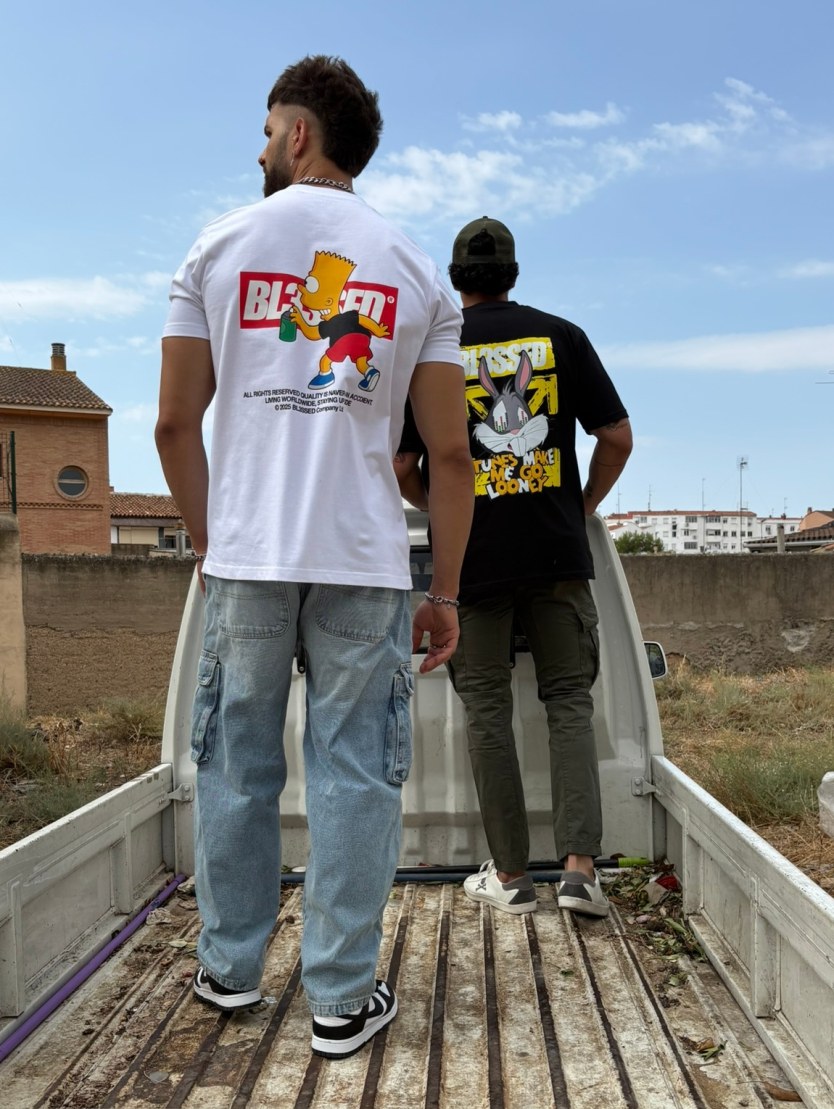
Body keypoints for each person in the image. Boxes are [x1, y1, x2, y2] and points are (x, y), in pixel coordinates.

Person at [155, 55, 473, 1060]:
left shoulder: (216, 248)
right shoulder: (414, 269)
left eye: (265, 131)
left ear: (299, 135)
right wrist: (445, 590)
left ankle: (229, 970)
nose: (259, 149)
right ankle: (339, 998)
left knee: (236, 764)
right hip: (364, 563)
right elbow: (452, 455)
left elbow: (173, 424)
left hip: (246, 560)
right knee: (354, 776)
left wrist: (212, 542)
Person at [395, 216, 632, 919]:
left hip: (472, 563)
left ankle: (511, 877)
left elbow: (404, 464)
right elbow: (616, 436)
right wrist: (581, 504)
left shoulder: (435, 347)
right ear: (513, 274)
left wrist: (441, 508)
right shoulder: (564, 336)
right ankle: (580, 872)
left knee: (488, 713)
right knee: (569, 703)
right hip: (557, 554)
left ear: (456, 279)